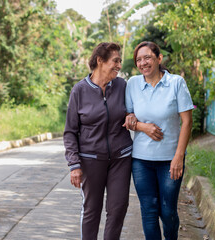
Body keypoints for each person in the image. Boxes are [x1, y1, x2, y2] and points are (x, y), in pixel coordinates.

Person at [124, 41, 194, 240]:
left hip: (170, 159)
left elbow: (187, 122)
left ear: (159, 58)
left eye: (147, 57)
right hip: (141, 160)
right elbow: (128, 117)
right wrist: (141, 126)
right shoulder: (133, 84)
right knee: (149, 210)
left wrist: (179, 157)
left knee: (168, 211)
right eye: (139, 59)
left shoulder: (176, 83)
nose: (143, 63)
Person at [63, 42, 133, 240]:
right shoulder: (79, 91)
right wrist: (74, 164)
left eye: (119, 61)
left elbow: (133, 109)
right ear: (100, 61)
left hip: (121, 158)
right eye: (115, 61)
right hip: (90, 159)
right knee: (92, 210)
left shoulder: (122, 86)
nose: (119, 65)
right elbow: (70, 132)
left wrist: (133, 115)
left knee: (118, 208)